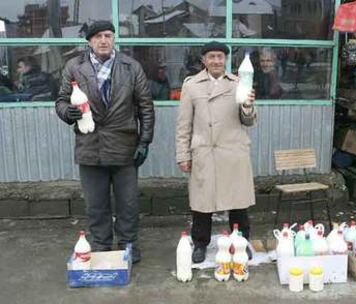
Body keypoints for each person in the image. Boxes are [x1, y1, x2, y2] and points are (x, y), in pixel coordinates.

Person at [55, 21, 155, 263]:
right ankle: (101, 244)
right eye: (98, 36)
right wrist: (67, 112)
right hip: (90, 147)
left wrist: (144, 142)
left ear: (113, 39)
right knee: (96, 204)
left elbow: (146, 107)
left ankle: (128, 244)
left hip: (125, 148)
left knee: (128, 204)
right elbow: (60, 100)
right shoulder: (74, 66)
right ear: (89, 41)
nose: (103, 40)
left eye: (108, 35)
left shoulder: (131, 67)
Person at [175, 41, 256, 263]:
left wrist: (248, 106)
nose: (216, 61)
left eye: (220, 56)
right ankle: (200, 243)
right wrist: (183, 155)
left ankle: (241, 241)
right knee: (202, 203)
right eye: (211, 56)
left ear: (226, 60)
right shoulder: (191, 85)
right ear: (204, 60)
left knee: (238, 203)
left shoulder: (240, 82)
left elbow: (248, 121)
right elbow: (184, 124)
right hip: (204, 152)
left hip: (233, 151)